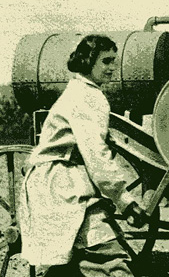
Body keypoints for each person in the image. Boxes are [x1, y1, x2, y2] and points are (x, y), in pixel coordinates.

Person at [19, 35, 147, 276]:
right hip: (62, 186)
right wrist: (125, 202)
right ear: (88, 62)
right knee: (107, 257)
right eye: (106, 62)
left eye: (114, 61)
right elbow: (96, 156)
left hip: (57, 182)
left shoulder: (79, 90)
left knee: (70, 262)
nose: (112, 68)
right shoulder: (88, 98)